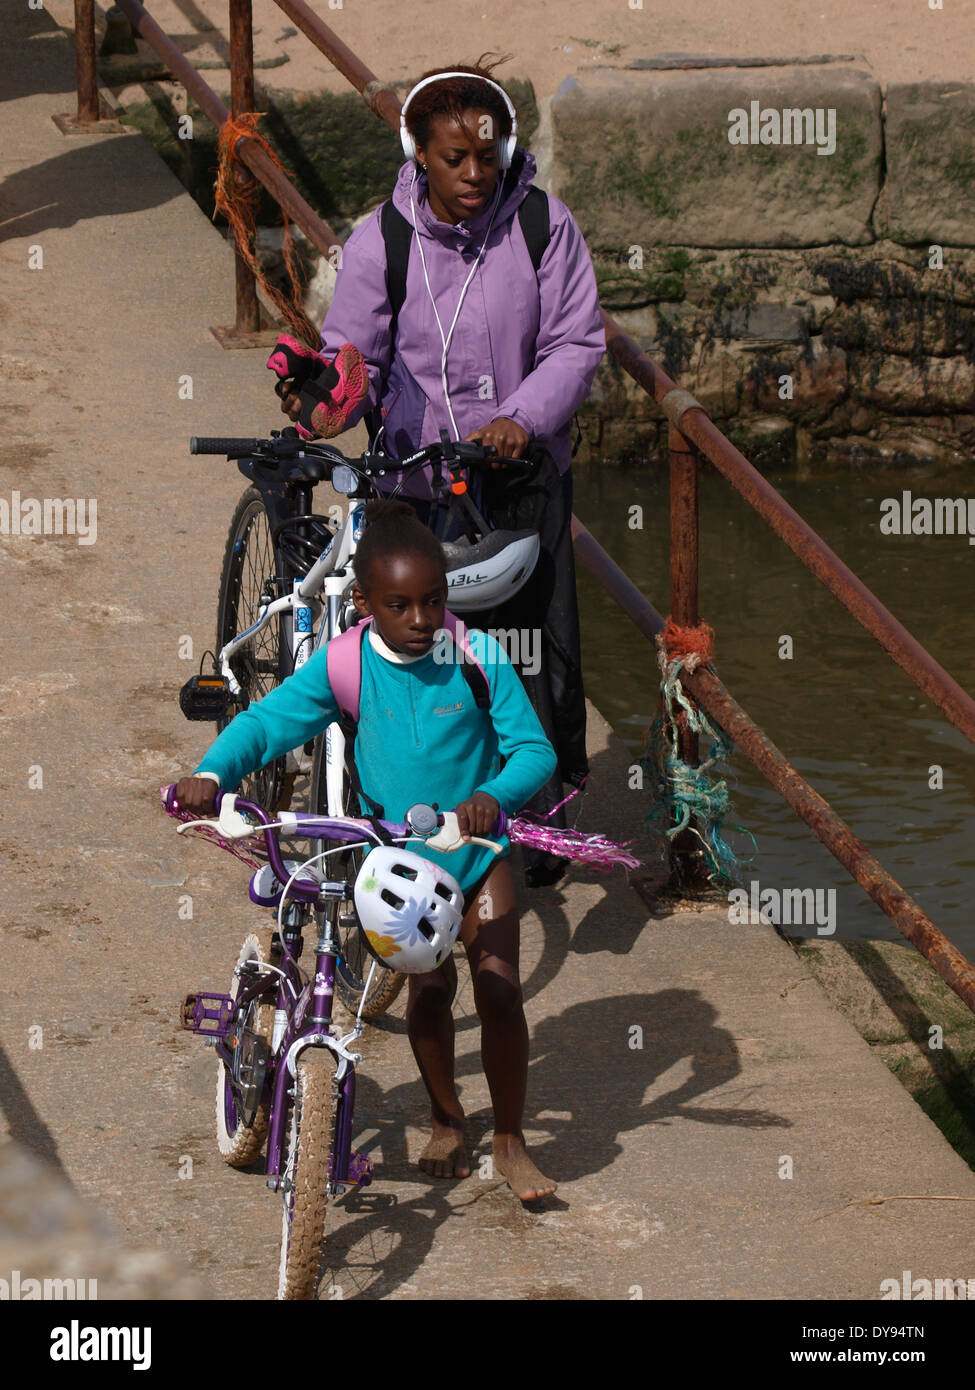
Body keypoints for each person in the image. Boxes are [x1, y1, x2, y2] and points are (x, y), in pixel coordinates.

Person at [276, 54, 606, 886]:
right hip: (413, 480)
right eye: (452, 158)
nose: (472, 174)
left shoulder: (541, 226)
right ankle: (404, 808)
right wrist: (330, 399)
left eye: (486, 156)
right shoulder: (382, 239)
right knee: (420, 649)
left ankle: (530, 815)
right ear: (416, 153)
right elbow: (356, 356)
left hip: (518, 478)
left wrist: (520, 420)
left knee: (532, 649)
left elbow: (575, 343)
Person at [173, 500, 560, 1200]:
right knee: (430, 988)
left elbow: (535, 749)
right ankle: (446, 1119)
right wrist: (210, 772)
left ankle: (509, 1139)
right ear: (363, 602)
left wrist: (493, 797)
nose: (421, 620)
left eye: (434, 601)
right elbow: (266, 724)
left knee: (499, 987)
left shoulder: (475, 653)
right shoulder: (344, 663)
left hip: (477, 850)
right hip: (402, 861)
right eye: (399, 604)